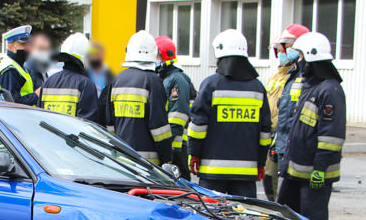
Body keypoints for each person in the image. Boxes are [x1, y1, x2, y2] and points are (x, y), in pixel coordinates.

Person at [187, 29, 271, 198]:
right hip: (246, 174)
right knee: (245, 217)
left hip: (212, 171)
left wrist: (194, 153)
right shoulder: (258, 88)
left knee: (211, 218)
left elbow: (198, 126)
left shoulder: (211, 85)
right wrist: (261, 162)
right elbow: (265, 132)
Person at [277, 31, 346, 220]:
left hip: (314, 174)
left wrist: (320, 169)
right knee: (287, 218)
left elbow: (331, 137)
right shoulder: (312, 87)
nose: (299, 61)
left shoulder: (330, 90)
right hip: (296, 171)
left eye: (301, 56)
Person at [104, 30, 171, 165]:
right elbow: (159, 128)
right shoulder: (153, 81)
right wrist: (167, 157)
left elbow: (109, 123)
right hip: (148, 164)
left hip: (121, 159)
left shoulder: (117, 80)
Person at [263, 23, 309, 200]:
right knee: (270, 180)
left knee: (287, 188)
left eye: (288, 47)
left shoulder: (301, 77)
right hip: (275, 137)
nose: (283, 52)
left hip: (289, 139)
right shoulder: (279, 76)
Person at [155, 36, 195, 179]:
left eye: (156, 55)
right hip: (169, 144)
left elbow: (179, 116)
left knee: (181, 183)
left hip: (176, 145)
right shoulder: (164, 78)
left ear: (164, 55)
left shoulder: (177, 80)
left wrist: (167, 142)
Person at [38, 33, 100, 124]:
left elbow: (40, 116)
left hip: (49, 137)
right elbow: (88, 124)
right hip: (72, 138)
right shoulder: (85, 84)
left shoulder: (49, 81)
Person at [0, 25, 40, 105]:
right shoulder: (9, 69)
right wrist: (36, 95)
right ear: (10, 47)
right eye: (23, 44)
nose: (27, 48)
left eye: (28, 44)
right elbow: (13, 102)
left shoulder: (17, 65)